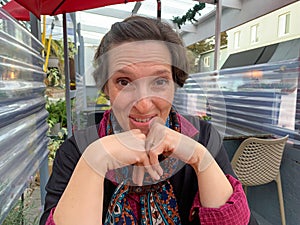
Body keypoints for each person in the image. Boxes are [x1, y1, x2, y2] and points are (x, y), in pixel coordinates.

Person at [40, 16, 255, 225]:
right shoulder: (76, 151)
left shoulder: (203, 136)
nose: (143, 104)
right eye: (124, 82)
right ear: (106, 87)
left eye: (160, 81)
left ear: (175, 83)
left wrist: (199, 158)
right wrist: (94, 161)